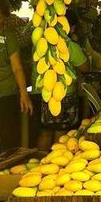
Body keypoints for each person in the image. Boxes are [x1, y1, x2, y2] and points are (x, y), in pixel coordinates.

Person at [31, 10, 89, 138]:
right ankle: (55, 157)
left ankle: (42, 157)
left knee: (45, 132)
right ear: (69, 27)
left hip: (41, 94)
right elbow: (85, 67)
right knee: (61, 133)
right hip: (62, 95)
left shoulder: (40, 42)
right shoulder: (68, 45)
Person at [0, 0, 33, 151]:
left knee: (8, 137)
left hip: (6, 93)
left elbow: (17, 67)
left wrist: (23, 93)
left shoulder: (8, 36)